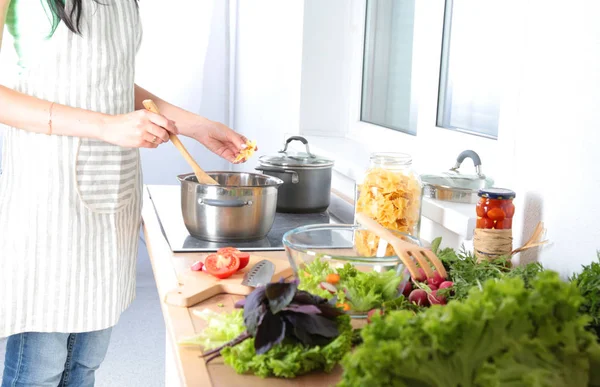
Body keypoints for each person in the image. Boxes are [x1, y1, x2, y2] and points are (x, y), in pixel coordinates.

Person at [0, 0, 248, 385]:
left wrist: (194, 125)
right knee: (43, 368)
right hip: (47, 198)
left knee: (84, 365)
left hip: (111, 191)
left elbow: (105, 79)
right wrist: (105, 126)